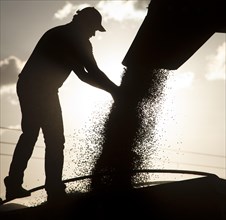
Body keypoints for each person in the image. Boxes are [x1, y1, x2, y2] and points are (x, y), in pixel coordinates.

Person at [4, 7, 119, 202]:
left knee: (36, 135)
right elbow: (93, 72)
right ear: (84, 22)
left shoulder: (62, 34)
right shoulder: (71, 38)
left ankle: (18, 183)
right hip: (37, 88)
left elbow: (84, 75)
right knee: (50, 138)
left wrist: (112, 91)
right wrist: (116, 91)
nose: (93, 34)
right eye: (93, 29)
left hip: (35, 87)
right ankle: (51, 189)